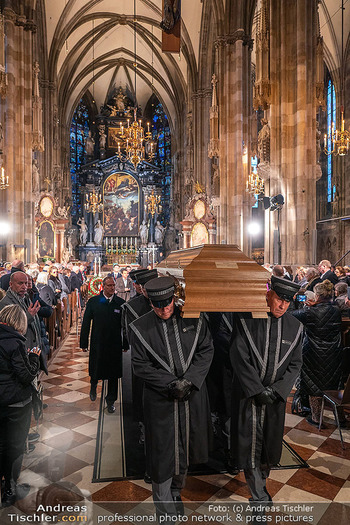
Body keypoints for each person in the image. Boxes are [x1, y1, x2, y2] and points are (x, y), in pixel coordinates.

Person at [130, 276, 214, 521]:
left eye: (168, 304)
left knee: (185, 447)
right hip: (161, 400)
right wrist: (169, 383)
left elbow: (206, 350)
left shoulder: (193, 318)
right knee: (162, 454)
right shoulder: (141, 326)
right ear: (151, 304)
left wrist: (189, 380)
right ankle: (163, 507)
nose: (164, 310)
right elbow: (139, 365)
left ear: (175, 300)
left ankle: (176, 492)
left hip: (190, 396)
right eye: (158, 306)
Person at [229, 275, 303, 504]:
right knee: (249, 445)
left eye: (287, 302)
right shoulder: (246, 320)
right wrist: (256, 389)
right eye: (279, 299)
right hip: (248, 397)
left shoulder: (296, 327)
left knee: (269, 447)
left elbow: (295, 364)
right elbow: (238, 356)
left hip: (274, 400)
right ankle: (258, 494)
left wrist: (277, 390)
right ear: (269, 295)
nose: (282, 305)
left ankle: (261, 483)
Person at [0, 305, 41, 507]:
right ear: (20, 322)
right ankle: (9, 488)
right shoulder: (15, 342)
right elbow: (26, 376)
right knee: (14, 446)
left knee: (1, 445)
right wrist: (34, 357)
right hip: (16, 403)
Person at [292, 280, 343, 427]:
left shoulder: (310, 312)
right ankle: (340, 418)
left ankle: (316, 417)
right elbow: (327, 311)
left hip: (313, 353)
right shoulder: (336, 310)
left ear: (317, 295)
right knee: (334, 384)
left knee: (313, 384)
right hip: (333, 352)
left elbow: (291, 315)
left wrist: (306, 305)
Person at [80, 276, 128, 413]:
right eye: (109, 285)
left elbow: (124, 325)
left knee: (113, 374)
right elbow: (86, 323)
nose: (112, 288)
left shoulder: (120, 303)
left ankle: (111, 401)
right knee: (96, 367)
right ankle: (93, 385)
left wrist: (126, 343)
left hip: (114, 343)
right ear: (103, 286)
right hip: (98, 342)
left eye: (113, 285)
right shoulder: (94, 302)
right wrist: (84, 342)